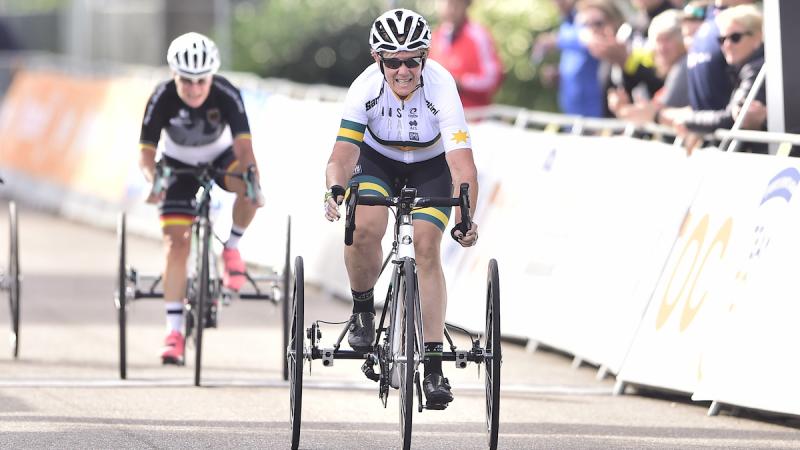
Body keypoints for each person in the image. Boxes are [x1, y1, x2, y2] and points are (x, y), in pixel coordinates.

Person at [323, 9, 479, 407]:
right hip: (378, 161)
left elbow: (462, 166)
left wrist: (465, 220)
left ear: (425, 57)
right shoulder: (364, 88)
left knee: (426, 247)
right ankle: (362, 311)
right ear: (379, 60)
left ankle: (432, 366)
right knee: (363, 227)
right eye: (393, 61)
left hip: (431, 166)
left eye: (413, 60)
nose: (404, 70)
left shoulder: (443, 88)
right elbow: (342, 154)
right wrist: (335, 190)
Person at [138, 32, 264, 364]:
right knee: (175, 243)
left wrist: (253, 181)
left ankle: (232, 248)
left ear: (212, 76)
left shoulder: (226, 93)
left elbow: (244, 148)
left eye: (201, 81)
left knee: (249, 187)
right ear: (173, 75)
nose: (194, 89)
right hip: (178, 165)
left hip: (221, 157)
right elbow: (147, 154)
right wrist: (154, 181)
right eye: (186, 81)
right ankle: (174, 331)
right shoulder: (161, 96)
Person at [660, 4, 766, 152]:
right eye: (722, 39)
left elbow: (733, 117)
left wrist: (689, 119)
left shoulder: (756, 67)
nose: (727, 45)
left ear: (757, 37)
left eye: (735, 38)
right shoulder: (740, 69)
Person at [608, 9, 689, 124]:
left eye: (667, 39)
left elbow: (655, 113)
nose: (662, 48)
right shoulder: (672, 70)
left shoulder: (683, 67)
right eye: (658, 41)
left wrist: (622, 109)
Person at [532, 0, 604, 117]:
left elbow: (591, 40)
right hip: (572, 110)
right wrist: (560, 75)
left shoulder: (589, 14)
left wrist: (556, 40)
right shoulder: (565, 24)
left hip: (594, 108)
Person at [428, 0, 503, 109]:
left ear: (466, 5)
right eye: (445, 2)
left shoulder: (479, 35)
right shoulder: (434, 37)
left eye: (456, 4)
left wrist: (461, 83)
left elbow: (493, 77)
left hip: (474, 118)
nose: (450, 8)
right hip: (439, 117)